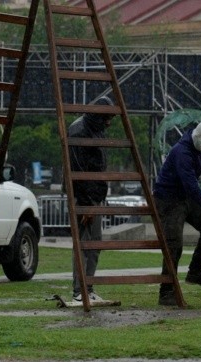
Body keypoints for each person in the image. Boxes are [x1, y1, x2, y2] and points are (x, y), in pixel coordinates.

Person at [153, 120, 201, 306]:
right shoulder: (182, 153)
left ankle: (195, 272)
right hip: (169, 201)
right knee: (174, 245)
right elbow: (192, 188)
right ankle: (166, 292)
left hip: (185, 197)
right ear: (200, 140)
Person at [69, 96, 115, 302]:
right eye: (107, 118)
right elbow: (77, 169)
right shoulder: (79, 130)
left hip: (94, 195)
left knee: (94, 243)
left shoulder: (95, 128)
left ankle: (87, 287)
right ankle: (79, 290)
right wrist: (86, 204)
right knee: (84, 243)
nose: (109, 123)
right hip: (83, 196)